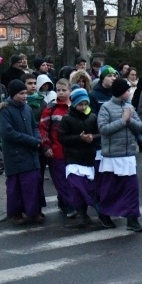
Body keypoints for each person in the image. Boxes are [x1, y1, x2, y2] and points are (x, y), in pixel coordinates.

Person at [96, 77, 142, 232]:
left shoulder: (130, 107)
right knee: (111, 188)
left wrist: (129, 121)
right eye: (127, 90)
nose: (129, 93)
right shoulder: (106, 108)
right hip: (112, 156)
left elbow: (140, 127)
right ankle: (104, 213)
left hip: (128, 154)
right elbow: (103, 129)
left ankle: (132, 219)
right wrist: (123, 121)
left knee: (131, 188)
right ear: (120, 92)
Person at [0, 79, 44, 225]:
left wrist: (38, 138)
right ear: (12, 94)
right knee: (16, 186)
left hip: (31, 153)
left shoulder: (27, 108)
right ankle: (16, 213)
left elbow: (35, 126)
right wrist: (32, 141)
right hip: (15, 155)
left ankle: (34, 211)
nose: (25, 96)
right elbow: (8, 133)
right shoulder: (5, 110)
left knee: (33, 182)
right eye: (21, 93)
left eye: (25, 93)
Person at [58, 88, 101, 226]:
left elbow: (100, 134)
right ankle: (82, 214)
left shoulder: (93, 117)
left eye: (85, 104)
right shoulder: (67, 118)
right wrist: (79, 138)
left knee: (90, 188)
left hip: (89, 158)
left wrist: (92, 138)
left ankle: (95, 209)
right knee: (77, 188)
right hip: (73, 159)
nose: (83, 107)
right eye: (80, 104)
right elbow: (62, 137)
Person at [39, 78, 73, 216]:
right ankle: (70, 205)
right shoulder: (51, 109)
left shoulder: (76, 107)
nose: (61, 93)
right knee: (60, 180)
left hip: (73, 151)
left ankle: (64, 202)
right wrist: (46, 146)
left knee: (72, 180)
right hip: (56, 151)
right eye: (58, 90)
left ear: (70, 91)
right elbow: (43, 129)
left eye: (64, 90)